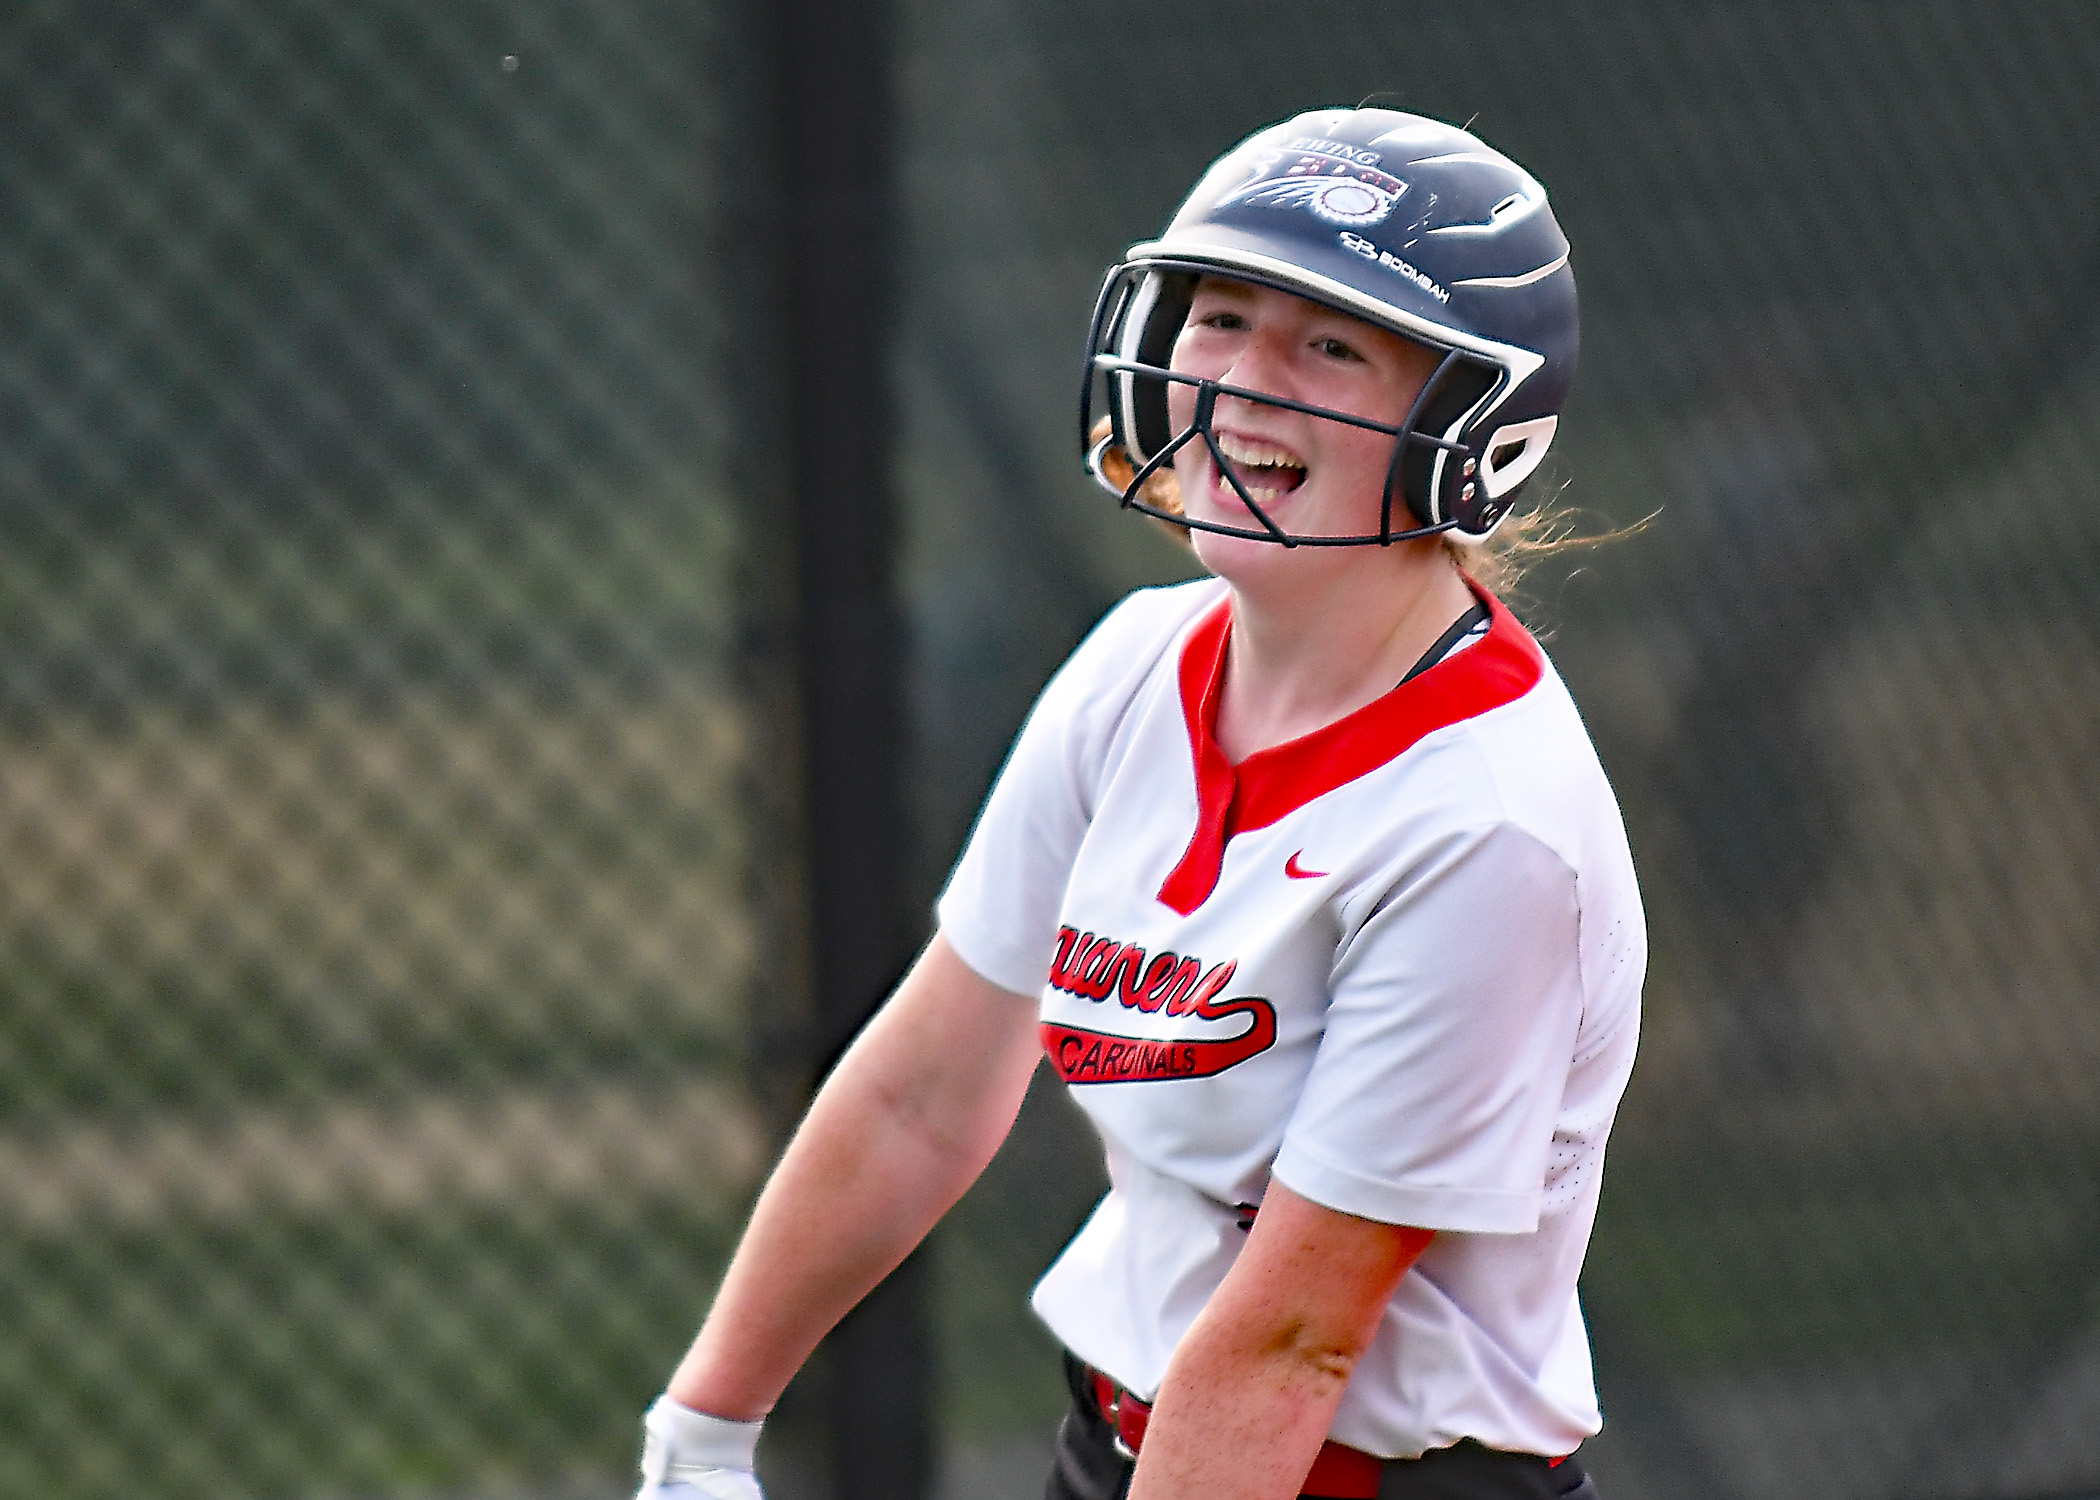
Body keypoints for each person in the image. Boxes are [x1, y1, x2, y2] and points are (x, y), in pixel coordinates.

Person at [635, 107, 1642, 1500]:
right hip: (1135, 1446)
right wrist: (703, 1433)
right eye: (1221, 316)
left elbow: (1292, 1344)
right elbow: (922, 1098)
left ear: (1472, 426)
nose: (1241, 383)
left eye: (1330, 344)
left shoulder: (1487, 827)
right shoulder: (1138, 670)